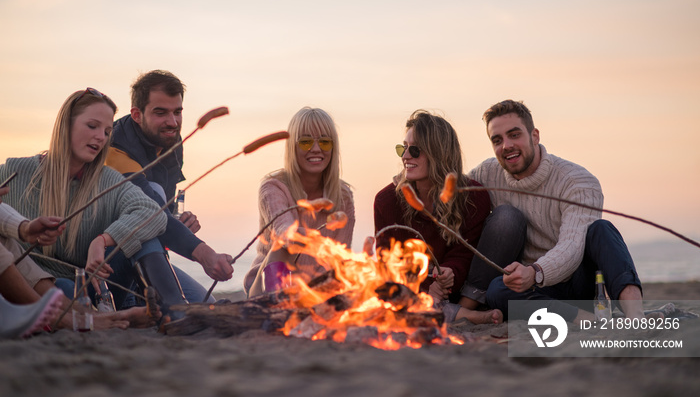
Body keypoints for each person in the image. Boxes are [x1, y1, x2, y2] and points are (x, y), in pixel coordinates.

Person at [0, 87, 187, 322]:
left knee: (143, 235)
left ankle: (174, 312)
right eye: (92, 126)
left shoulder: (107, 180)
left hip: (97, 288)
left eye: (108, 131)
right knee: (66, 289)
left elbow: (154, 213)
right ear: (66, 125)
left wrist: (103, 240)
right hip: (37, 286)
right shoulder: (16, 171)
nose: (101, 137)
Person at [463, 99, 647, 323]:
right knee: (497, 289)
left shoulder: (577, 181)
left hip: (577, 282)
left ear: (535, 136)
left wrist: (535, 272)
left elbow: (572, 246)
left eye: (514, 135)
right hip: (534, 294)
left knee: (602, 229)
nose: (506, 146)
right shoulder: (487, 174)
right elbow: (453, 200)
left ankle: (636, 316)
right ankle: (583, 319)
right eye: (497, 140)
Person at [106, 70, 233, 303]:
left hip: (153, 258)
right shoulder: (115, 149)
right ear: (136, 114)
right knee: (150, 194)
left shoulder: (170, 140)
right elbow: (150, 213)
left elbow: (164, 211)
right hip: (111, 262)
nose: (172, 122)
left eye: (177, 112)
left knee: (207, 305)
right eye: (160, 113)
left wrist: (177, 220)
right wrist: (206, 256)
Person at [373, 110, 502, 324]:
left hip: (461, 287)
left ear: (438, 153)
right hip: (413, 289)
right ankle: (460, 315)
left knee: (505, 220)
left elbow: (465, 253)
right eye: (402, 148)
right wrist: (426, 286)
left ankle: (460, 308)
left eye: (414, 150)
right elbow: (389, 265)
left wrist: (449, 273)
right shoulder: (386, 201)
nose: (405, 157)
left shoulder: (472, 196)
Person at [0, 185, 155, 330]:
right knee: (66, 286)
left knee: (6, 242)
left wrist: (24, 228)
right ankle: (55, 318)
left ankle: (90, 315)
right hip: (64, 282)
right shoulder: (18, 168)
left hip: (61, 287)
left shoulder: (109, 177)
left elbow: (152, 211)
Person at [244, 107, 355, 297]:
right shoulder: (273, 188)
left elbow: (340, 260)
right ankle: (276, 311)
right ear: (292, 147)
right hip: (266, 287)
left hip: (313, 291)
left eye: (325, 142)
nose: (316, 149)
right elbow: (286, 234)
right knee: (283, 247)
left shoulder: (343, 195)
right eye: (305, 142)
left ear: (333, 147)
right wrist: (323, 245)